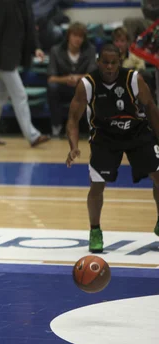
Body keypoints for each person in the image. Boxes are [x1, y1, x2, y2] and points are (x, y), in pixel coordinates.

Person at [65, 44, 159, 253]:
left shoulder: (134, 79)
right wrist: (73, 147)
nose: (109, 67)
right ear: (98, 62)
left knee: (158, 174)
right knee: (97, 185)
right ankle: (95, 231)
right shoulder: (87, 84)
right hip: (105, 136)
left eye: (113, 63)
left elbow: (151, 107)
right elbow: (73, 119)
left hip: (136, 132)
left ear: (120, 62)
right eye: (105, 63)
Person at [0, 0, 50, 147]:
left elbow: (30, 28)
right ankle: (32, 136)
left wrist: (36, 48)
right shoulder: (2, 3)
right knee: (20, 95)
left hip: (14, 57)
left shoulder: (25, 3)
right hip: (4, 58)